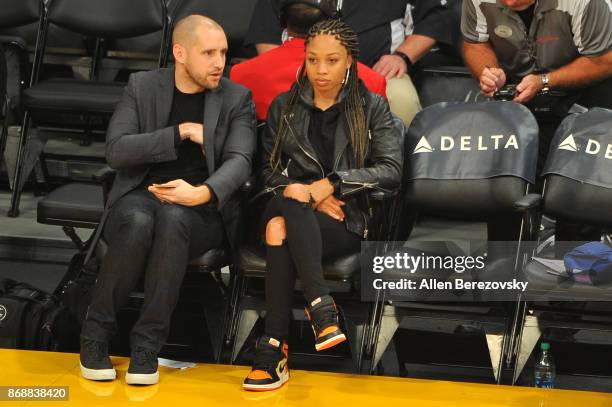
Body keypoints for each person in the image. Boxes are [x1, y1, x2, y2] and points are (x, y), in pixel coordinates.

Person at [79, 15, 256, 386]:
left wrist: (203, 192)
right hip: (141, 197)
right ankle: (95, 336)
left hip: (202, 208)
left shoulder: (237, 97)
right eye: (208, 52)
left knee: (173, 219)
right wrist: (179, 133)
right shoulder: (142, 86)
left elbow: (241, 160)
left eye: (223, 52)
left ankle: (146, 346)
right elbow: (117, 151)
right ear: (180, 52)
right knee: (143, 220)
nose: (219, 62)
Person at [242, 19, 402, 391]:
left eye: (331, 60)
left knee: (277, 229)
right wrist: (307, 194)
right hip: (287, 201)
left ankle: (272, 349)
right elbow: (267, 172)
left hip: (344, 217)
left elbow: (391, 171)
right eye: (313, 60)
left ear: (350, 61)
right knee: (289, 203)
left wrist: (331, 185)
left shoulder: (371, 106)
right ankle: (321, 306)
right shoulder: (286, 105)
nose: (321, 70)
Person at [244, 0, 463, 125]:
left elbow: (437, 18)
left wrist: (402, 56)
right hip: (302, 70)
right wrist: (301, 73)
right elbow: (267, 36)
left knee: (402, 101)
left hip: (378, 69)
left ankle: (398, 189)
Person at [230, 0, 387, 122]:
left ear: (283, 21)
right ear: (331, 22)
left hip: (268, 162)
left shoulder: (240, 75)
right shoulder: (371, 81)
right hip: (344, 164)